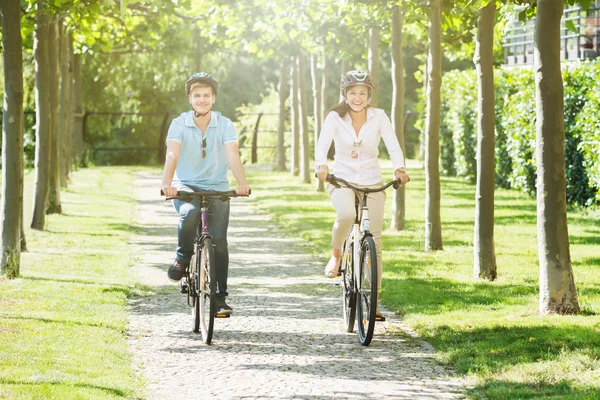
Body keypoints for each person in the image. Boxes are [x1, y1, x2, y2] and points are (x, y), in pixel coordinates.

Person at [315, 70, 410, 316]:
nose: (358, 97)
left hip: (372, 182)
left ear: (369, 95)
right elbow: (323, 144)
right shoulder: (335, 117)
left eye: (362, 93)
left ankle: (375, 303)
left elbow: (392, 144)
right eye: (353, 93)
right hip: (342, 180)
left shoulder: (379, 117)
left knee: (374, 240)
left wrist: (399, 168)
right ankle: (336, 255)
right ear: (345, 95)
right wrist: (321, 165)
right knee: (346, 216)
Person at [161, 72, 251, 315]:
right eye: (197, 96)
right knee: (189, 213)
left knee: (219, 241)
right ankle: (182, 258)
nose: (202, 100)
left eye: (206, 96)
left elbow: (232, 154)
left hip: (217, 187)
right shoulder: (179, 123)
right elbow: (172, 154)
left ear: (213, 99)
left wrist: (242, 183)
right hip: (185, 186)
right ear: (190, 99)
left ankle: (219, 297)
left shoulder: (225, 124)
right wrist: (167, 183)